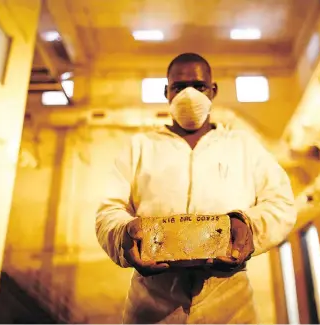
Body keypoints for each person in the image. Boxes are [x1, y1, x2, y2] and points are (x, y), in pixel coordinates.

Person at [95, 52, 297, 324]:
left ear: (213, 90)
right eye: (179, 87)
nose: (189, 94)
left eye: (199, 86)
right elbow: (109, 210)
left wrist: (247, 225)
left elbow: (281, 204)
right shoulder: (140, 147)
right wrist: (124, 234)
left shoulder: (242, 146)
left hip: (230, 306)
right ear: (166, 92)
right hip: (152, 307)